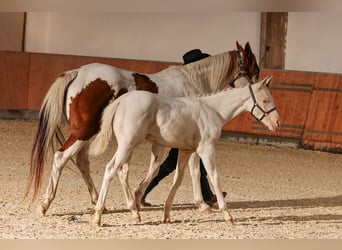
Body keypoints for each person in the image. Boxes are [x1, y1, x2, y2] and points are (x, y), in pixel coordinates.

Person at [141, 49, 227, 207]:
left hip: (183, 130)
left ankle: (207, 195)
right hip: (180, 131)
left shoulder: (189, 82)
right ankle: (143, 190)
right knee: (172, 164)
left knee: (189, 162)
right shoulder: (187, 84)